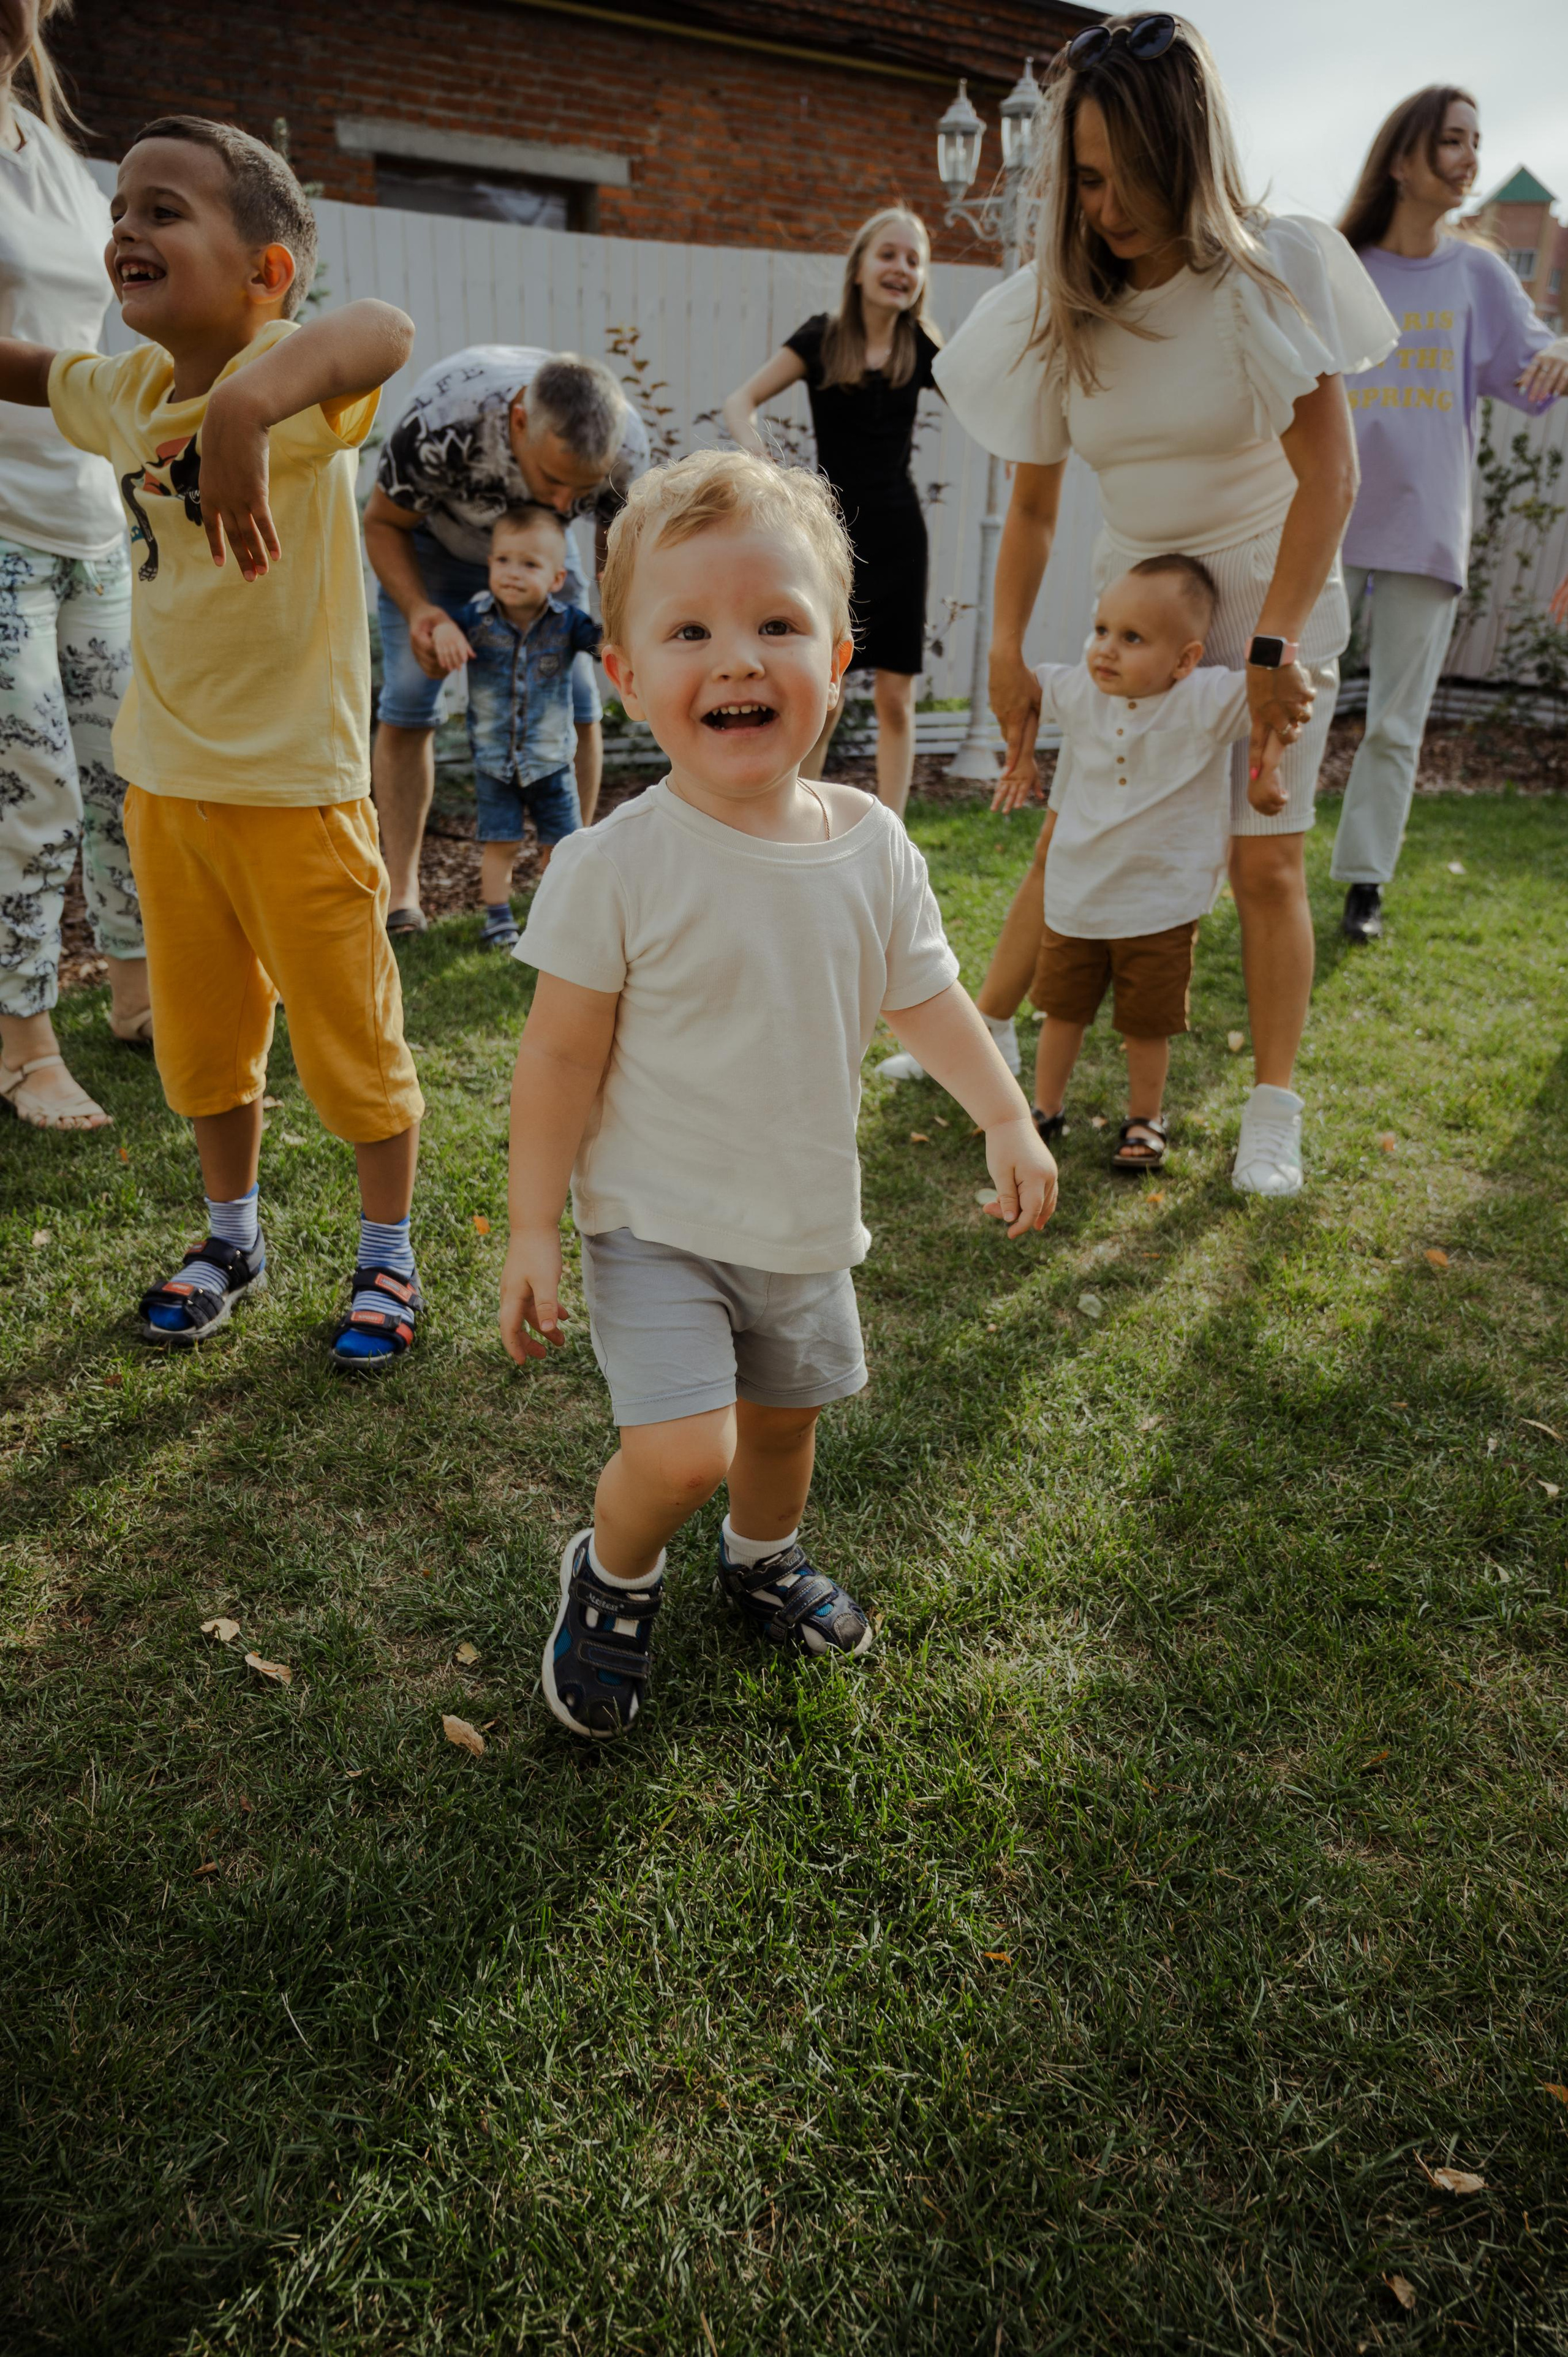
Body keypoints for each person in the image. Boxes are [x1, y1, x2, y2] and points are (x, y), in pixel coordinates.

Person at [498, 449, 1057, 1741]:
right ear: (627, 677)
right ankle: (612, 1573)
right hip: (654, 1222)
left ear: (839, 655)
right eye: (690, 630)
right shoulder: (614, 863)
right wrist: (533, 1225)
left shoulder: (870, 845)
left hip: (802, 1218)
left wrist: (1004, 1112)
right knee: (683, 1450)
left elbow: (924, 999)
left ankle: (760, 1559)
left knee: (784, 1426)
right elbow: (558, 1060)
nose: (738, 658)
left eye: (775, 623)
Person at [909, 12, 1396, 1200]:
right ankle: (979, 1039)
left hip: (1265, 585)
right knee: (1072, 838)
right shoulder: (1055, 306)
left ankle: (1266, 1113)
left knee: (1264, 866)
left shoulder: (1262, 271)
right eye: (1082, 178)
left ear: (1187, 155)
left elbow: (1329, 475)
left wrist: (1273, 644)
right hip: (1133, 598)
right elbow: (1028, 513)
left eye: (1131, 175)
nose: (1106, 205)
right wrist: (1011, 652)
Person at [1, 115, 426, 1368]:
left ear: (266, 272)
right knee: (200, 1045)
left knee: (351, 1045)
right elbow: (31, 370)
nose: (127, 226)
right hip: (167, 792)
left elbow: (385, 330)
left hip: (297, 794)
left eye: (166, 210)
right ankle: (230, 1236)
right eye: (121, 207)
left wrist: (246, 400)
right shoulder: (129, 391)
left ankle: (386, 1256)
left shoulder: (299, 379)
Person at [1332, 87, 1568, 943]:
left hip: (1425, 528)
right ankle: (1259, 860)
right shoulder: (1341, 262)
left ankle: (1365, 882)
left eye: (1476, 142)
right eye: (1452, 142)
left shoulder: (1479, 272)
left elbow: (1538, 364)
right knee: (1293, 706)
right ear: (1402, 160)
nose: (1469, 158)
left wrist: (1564, 352)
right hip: (1328, 519)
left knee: (1395, 721)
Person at [0, 0, 148, 1133]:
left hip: (91, 513)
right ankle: (24, 1039)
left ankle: (143, 998)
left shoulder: (51, 150)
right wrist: (105, 393)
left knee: (124, 775)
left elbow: (97, 331)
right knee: (33, 789)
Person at [365, 344, 647, 931]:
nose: (564, 503)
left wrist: (615, 628)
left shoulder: (625, 447)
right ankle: (403, 892)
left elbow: (613, 555)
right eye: (552, 479)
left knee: (581, 699)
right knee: (411, 700)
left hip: (543, 557)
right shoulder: (443, 421)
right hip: (433, 548)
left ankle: (572, 871)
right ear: (519, 422)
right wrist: (421, 611)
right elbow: (384, 521)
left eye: (581, 490)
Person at [1028, 554, 1256, 1174]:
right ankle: (1043, 1110)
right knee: (1062, 1011)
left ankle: (1145, 1118)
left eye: (1132, 638)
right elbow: (1019, 687)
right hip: (1077, 895)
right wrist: (1017, 753)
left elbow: (1274, 681)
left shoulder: (1205, 701)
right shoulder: (1079, 690)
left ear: (1184, 660)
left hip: (1161, 901)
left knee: (1146, 1024)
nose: (1105, 649)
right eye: (1101, 629)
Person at [722, 206, 942, 818]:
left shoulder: (920, 346)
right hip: (829, 537)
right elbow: (741, 401)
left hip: (900, 533)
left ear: (921, 279)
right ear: (859, 268)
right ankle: (799, 817)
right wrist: (761, 457)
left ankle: (894, 833)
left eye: (913, 260)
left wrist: (1016, 449)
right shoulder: (821, 337)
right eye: (888, 254)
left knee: (897, 699)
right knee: (826, 691)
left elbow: (983, 403)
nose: (900, 267)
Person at [426, 504, 601, 950]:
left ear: (557, 579)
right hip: (494, 764)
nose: (512, 572)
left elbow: (607, 644)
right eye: (503, 560)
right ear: (489, 564)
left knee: (559, 847)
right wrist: (442, 630)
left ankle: (554, 916)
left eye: (529, 564)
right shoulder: (475, 619)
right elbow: (436, 631)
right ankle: (499, 920)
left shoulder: (568, 624)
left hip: (552, 762)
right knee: (500, 843)